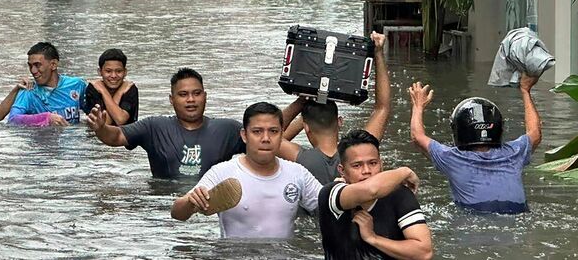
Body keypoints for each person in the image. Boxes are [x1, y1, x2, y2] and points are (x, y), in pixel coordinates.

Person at [170, 102, 322, 238]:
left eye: (273, 131)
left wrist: (339, 189)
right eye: (257, 131)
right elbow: (177, 214)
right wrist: (190, 202)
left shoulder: (297, 173)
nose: (266, 138)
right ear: (244, 135)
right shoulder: (222, 172)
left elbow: (329, 205)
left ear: (282, 134)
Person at [408, 74, 542, 214]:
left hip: (476, 217)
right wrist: (525, 90)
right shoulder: (515, 153)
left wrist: (418, 106)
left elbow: (417, 137)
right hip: (517, 214)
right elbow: (535, 133)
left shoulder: (452, 158)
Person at [86, 68, 245, 179]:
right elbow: (116, 136)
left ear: (205, 96)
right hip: (164, 207)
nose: (191, 100)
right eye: (183, 94)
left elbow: (263, 151)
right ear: (172, 99)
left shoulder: (228, 129)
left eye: (196, 94)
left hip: (210, 207)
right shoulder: (154, 127)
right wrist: (101, 128)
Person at [278, 31, 391, 185]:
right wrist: (378, 52)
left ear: (306, 128)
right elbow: (382, 108)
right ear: (339, 122)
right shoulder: (359, 153)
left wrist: (302, 100)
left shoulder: (301, 159)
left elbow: (271, 134)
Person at [319, 130, 433, 260]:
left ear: (381, 165)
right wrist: (404, 171)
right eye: (357, 165)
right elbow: (371, 190)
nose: (366, 171)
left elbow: (424, 252)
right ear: (342, 170)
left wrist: (373, 238)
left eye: (373, 163)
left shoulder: (400, 195)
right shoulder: (331, 193)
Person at [8, 42, 87, 126]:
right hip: (44, 138)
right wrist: (46, 118)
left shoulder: (77, 84)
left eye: (37, 65)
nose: (33, 71)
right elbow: (13, 120)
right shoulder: (29, 91)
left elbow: (93, 113)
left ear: (53, 64)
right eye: (30, 66)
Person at [81, 48, 138, 126]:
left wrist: (106, 92)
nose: (113, 76)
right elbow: (104, 123)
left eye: (119, 71)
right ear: (100, 72)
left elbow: (120, 120)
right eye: (108, 71)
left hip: (126, 135)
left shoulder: (130, 88)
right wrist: (107, 91)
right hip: (97, 137)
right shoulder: (94, 88)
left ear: (125, 72)